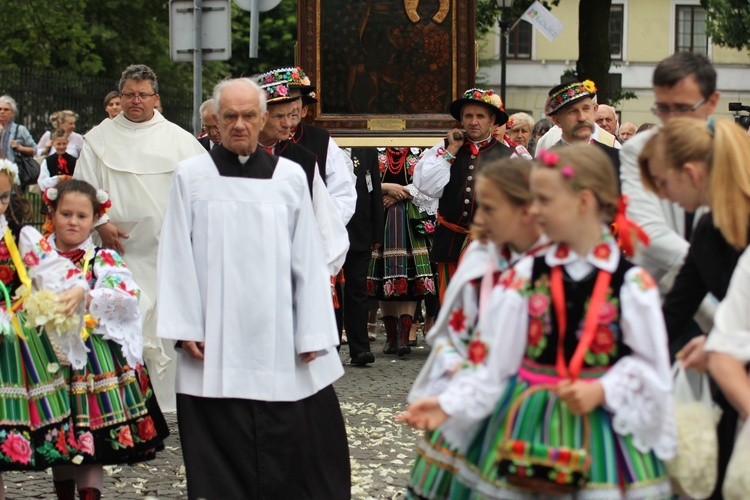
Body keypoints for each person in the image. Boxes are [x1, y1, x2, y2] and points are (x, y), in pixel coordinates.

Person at [405, 144, 675, 498]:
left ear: (584, 202)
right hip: (527, 420)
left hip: (602, 424)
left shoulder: (632, 284)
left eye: (544, 200)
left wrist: (603, 389)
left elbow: (650, 365)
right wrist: (448, 403)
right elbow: (493, 363)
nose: (534, 210)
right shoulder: (525, 276)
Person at [156, 77, 350, 499]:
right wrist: (186, 324)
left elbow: (307, 256)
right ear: (215, 122)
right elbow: (175, 252)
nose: (239, 124)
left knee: (299, 446)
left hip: (278, 333)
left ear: (263, 120)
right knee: (222, 451)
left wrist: (314, 331)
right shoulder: (192, 176)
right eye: (230, 116)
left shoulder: (291, 177)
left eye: (248, 116)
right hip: (215, 337)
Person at [401, 158, 548, 499]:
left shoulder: (553, 266)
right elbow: (454, 329)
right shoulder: (482, 256)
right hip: (471, 392)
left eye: (490, 209)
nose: (479, 219)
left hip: (527, 406)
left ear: (526, 209)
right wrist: (454, 375)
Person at [73, 64, 207, 412]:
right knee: (124, 325)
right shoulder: (98, 139)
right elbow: (82, 189)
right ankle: (126, 402)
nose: (135, 101)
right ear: (119, 97)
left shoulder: (180, 140)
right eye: (129, 94)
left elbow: (203, 191)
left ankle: (166, 403)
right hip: (119, 250)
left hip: (167, 249)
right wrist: (100, 221)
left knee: (165, 324)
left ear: (155, 98)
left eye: (143, 94)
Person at [639, 117, 750, 495]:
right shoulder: (707, 229)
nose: (664, 197)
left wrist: (726, 344)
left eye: (662, 183)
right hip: (734, 389)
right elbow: (671, 313)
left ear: (690, 172)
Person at [44, 179, 169, 500]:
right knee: (61, 434)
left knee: (90, 438)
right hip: (49, 361)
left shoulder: (101, 259)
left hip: (93, 364)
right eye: (66, 214)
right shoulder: (37, 257)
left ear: (95, 218)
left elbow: (125, 295)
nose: (73, 221)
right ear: (52, 213)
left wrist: (87, 295)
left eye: (82, 216)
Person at [0, 159, 87, 496]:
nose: (0, 205)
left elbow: (58, 271)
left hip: (13, 343)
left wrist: (78, 288)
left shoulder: (20, 237)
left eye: (4, 198)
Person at [413, 88, 514, 301]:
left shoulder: (509, 156)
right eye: (468, 116)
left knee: (485, 302)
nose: (473, 122)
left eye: (480, 116)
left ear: (492, 120)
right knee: (452, 303)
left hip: (490, 244)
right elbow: (426, 186)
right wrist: (451, 152)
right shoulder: (444, 149)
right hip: (451, 241)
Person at [261, 67, 357, 226]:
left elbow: (343, 194)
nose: (291, 107)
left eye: (295, 99)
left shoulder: (321, 140)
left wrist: (317, 228)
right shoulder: (244, 147)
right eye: (283, 102)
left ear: (304, 109)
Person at [368, 147, 438, 357]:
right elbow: (361, 181)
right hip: (379, 216)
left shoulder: (423, 150)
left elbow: (431, 184)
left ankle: (404, 335)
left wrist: (402, 193)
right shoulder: (372, 147)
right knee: (382, 273)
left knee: (412, 274)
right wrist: (385, 188)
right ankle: (390, 336)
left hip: (411, 215)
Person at [342, 148, 384, 365]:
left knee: (357, 289)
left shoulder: (365, 148)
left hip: (360, 228)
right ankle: (327, 348)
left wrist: (378, 231)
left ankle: (360, 349)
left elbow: (374, 188)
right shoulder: (319, 143)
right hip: (326, 226)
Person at [541, 81, 622, 179]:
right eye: (572, 111)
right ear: (556, 120)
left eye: (586, 108)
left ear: (594, 110)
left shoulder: (616, 159)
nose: (582, 118)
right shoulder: (542, 166)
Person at [0, 95, 36, 161]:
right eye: (0, 109)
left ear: (12, 113)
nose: (2, 112)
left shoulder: (20, 130)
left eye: (6, 109)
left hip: (13, 169)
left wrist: (20, 148)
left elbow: (34, 150)